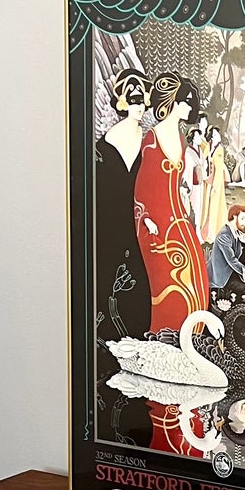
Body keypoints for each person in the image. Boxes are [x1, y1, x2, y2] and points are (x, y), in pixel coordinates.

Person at [133, 72, 210, 332]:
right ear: (173, 102)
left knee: (194, 268)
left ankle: (188, 334)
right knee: (167, 277)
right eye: (186, 102)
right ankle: (163, 332)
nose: (189, 108)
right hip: (155, 222)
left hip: (177, 216)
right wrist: (147, 220)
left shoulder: (179, 138)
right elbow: (143, 188)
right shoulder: (152, 139)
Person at [94, 69, 150, 340]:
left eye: (142, 100)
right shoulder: (106, 144)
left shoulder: (147, 140)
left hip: (138, 221)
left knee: (139, 282)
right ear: (123, 103)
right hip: (111, 221)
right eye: (134, 100)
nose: (139, 106)